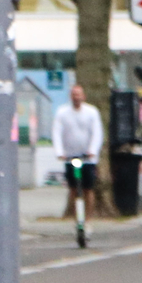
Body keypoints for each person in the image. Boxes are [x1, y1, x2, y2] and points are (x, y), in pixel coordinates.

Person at [53, 81, 106, 248]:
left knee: (88, 188)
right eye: (74, 95)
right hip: (70, 156)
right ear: (71, 97)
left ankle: (88, 220)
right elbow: (57, 132)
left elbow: (97, 132)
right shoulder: (62, 113)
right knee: (74, 188)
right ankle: (77, 221)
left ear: (83, 96)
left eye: (79, 95)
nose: (76, 98)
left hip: (87, 158)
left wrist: (92, 150)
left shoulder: (91, 112)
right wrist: (59, 152)